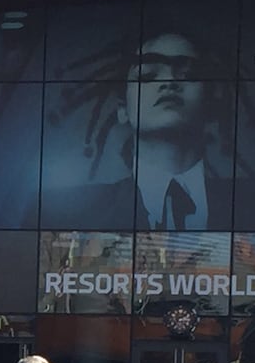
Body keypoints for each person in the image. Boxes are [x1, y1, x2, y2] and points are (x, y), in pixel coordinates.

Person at [42, 31, 232, 232]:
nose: (169, 83)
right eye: (147, 76)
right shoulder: (56, 213)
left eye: (188, 75)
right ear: (123, 109)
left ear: (210, 103)